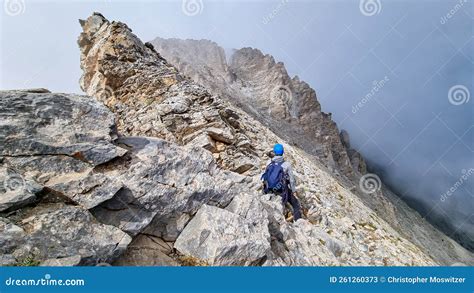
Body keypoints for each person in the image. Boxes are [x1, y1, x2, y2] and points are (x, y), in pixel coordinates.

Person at [261, 143, 302, 221]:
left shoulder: (269, 162)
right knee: (296, 204)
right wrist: (293, 191)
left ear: (274, 152)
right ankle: (299, 222)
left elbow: (265, 176)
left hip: (268, 189)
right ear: (282, 152)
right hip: (280, 190)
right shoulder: (287, 164)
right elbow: (292, 180)